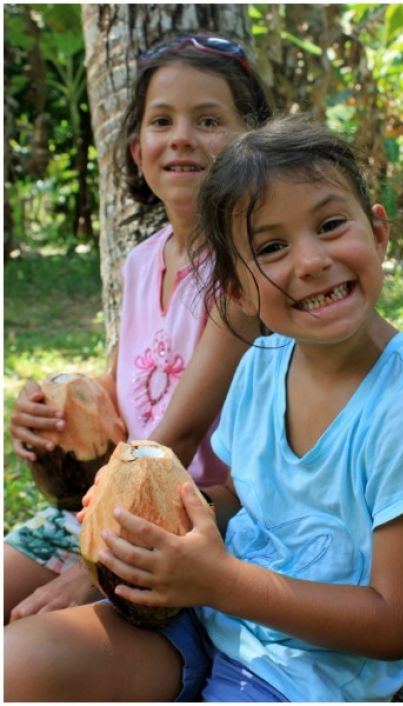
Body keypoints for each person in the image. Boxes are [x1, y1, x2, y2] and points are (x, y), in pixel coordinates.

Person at [4, 116, 403, 701]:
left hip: (306, 672)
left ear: (378, 231)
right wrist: (157, 512)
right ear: (236, 290)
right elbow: (240, 496)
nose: (309, 261)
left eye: (330, 225)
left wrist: (222, 582)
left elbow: (397, 623)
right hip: (209, 617)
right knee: (19, 663)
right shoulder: (261, 361)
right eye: (271, 247)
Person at [4, 33, 272, 625]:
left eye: (208, 120)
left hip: (192, 521)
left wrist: (89, 568)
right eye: (161, 121)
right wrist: (48, 404)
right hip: (110, 502)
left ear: (252, 143)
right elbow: (130, 386)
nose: (181, 136)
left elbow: (177, 435)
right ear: (135, 147)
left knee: (27, 653)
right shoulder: (141, 259)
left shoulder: (246, 269)